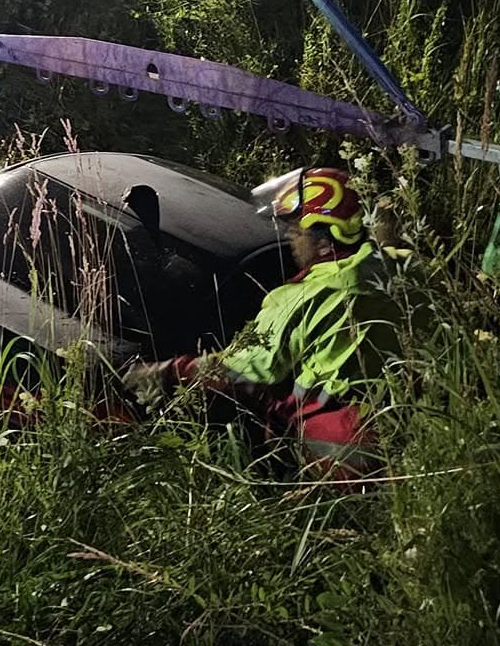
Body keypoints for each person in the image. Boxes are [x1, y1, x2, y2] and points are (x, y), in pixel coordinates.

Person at [120, 168, 399, 478]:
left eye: (297, 230)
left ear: (324, 237)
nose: (291, 239)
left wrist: (168, 372)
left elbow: (243, 368)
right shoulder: (396, 268)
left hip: (341, 449)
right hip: (405, 425)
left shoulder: (305, 295)